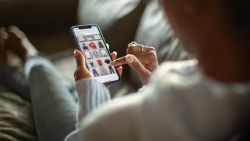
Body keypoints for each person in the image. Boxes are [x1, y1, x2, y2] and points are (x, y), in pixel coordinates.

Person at [1, 0, 250, 141]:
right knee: (64, 92)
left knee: (60, 92)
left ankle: (29, 57)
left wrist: (92, 92)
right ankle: (22, 67)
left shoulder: (125, 124)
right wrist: (153, 82)